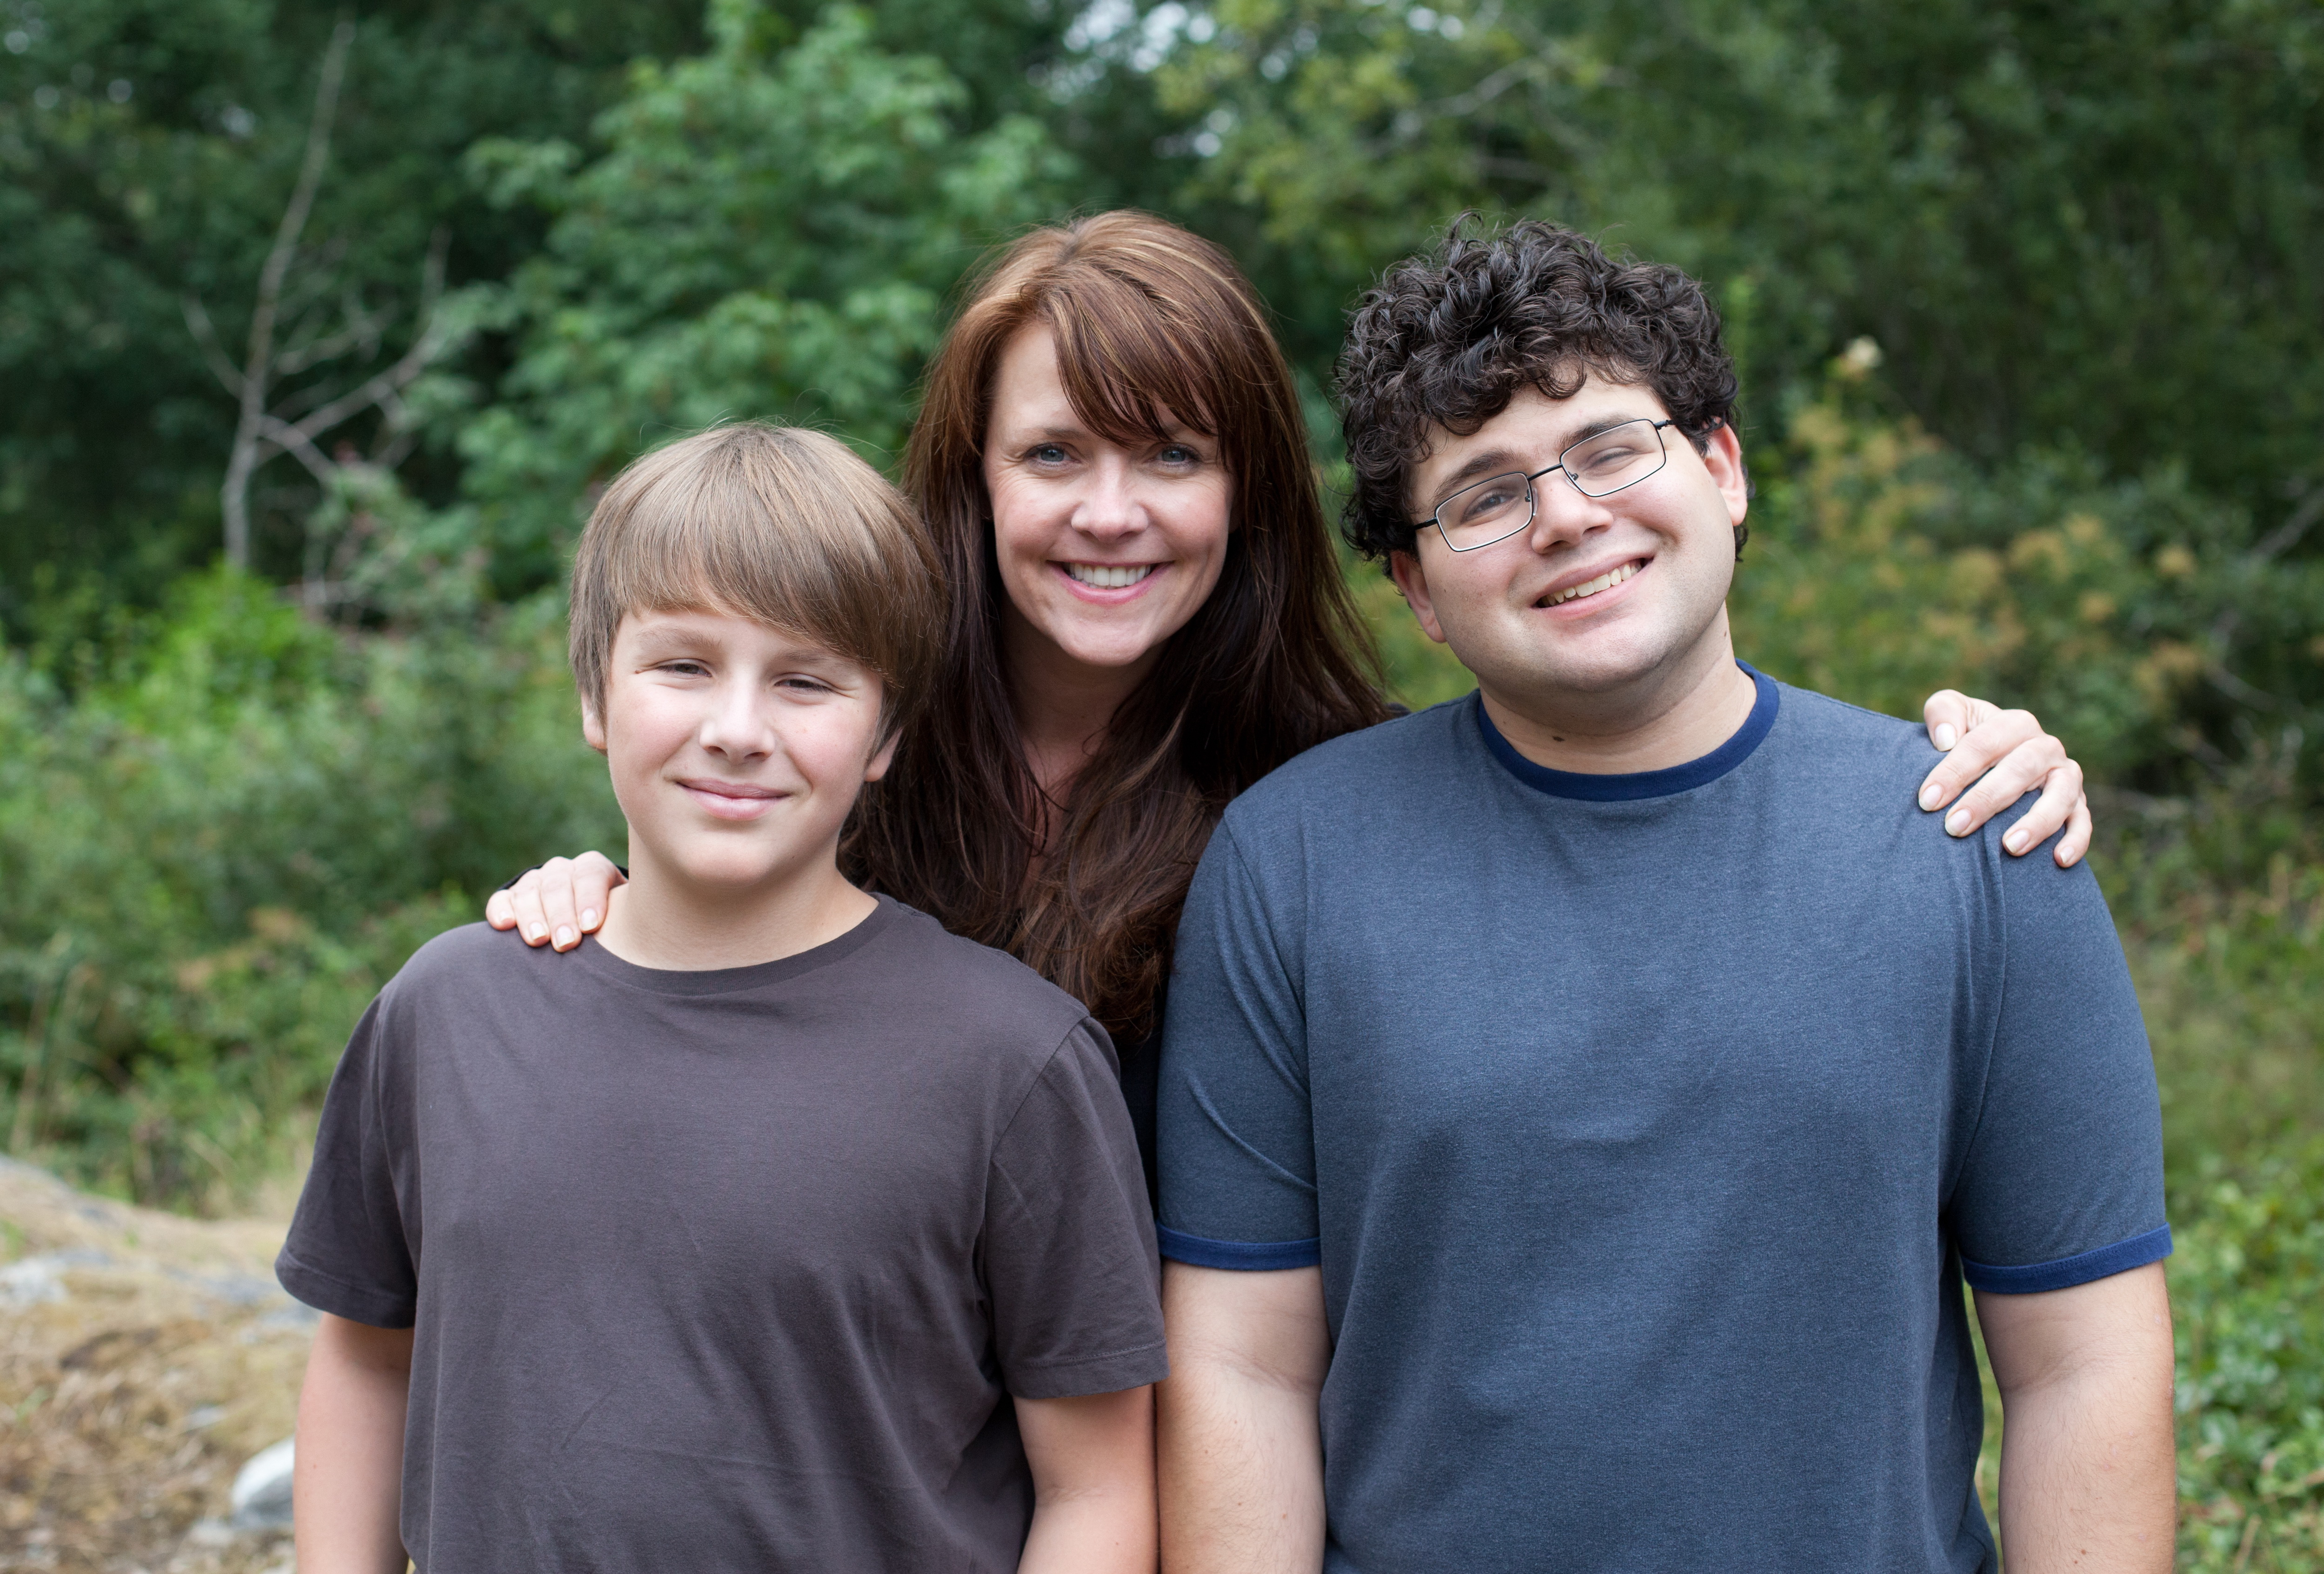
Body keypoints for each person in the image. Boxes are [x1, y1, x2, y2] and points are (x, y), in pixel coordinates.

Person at [485, 213, 2099, 1206]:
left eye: (1169, 456)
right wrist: (600, 896)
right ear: (969, 486)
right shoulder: (854, 754)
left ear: (1248, 493)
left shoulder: (1325, 802)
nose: (1108, 512)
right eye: (1053, 455)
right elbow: (717, 948)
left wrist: (1957, 758)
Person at [1154, 222, 2173, 1573]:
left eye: (1608, 449)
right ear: (1416, 590)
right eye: (1483, 493)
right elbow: (1239, 1370)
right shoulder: (1288, 863)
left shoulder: (1975, 839)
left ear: (1720, 467)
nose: (1566, 515)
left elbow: (2083, 1362)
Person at [279, 425, 1165, 1573]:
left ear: (887, 732)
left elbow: (1096, 1485)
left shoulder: (1014, 1060)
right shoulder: (446, 1012)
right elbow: (364, 1364)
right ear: (596, 694)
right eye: (683, 666)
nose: (737, 731)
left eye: (805, 681)